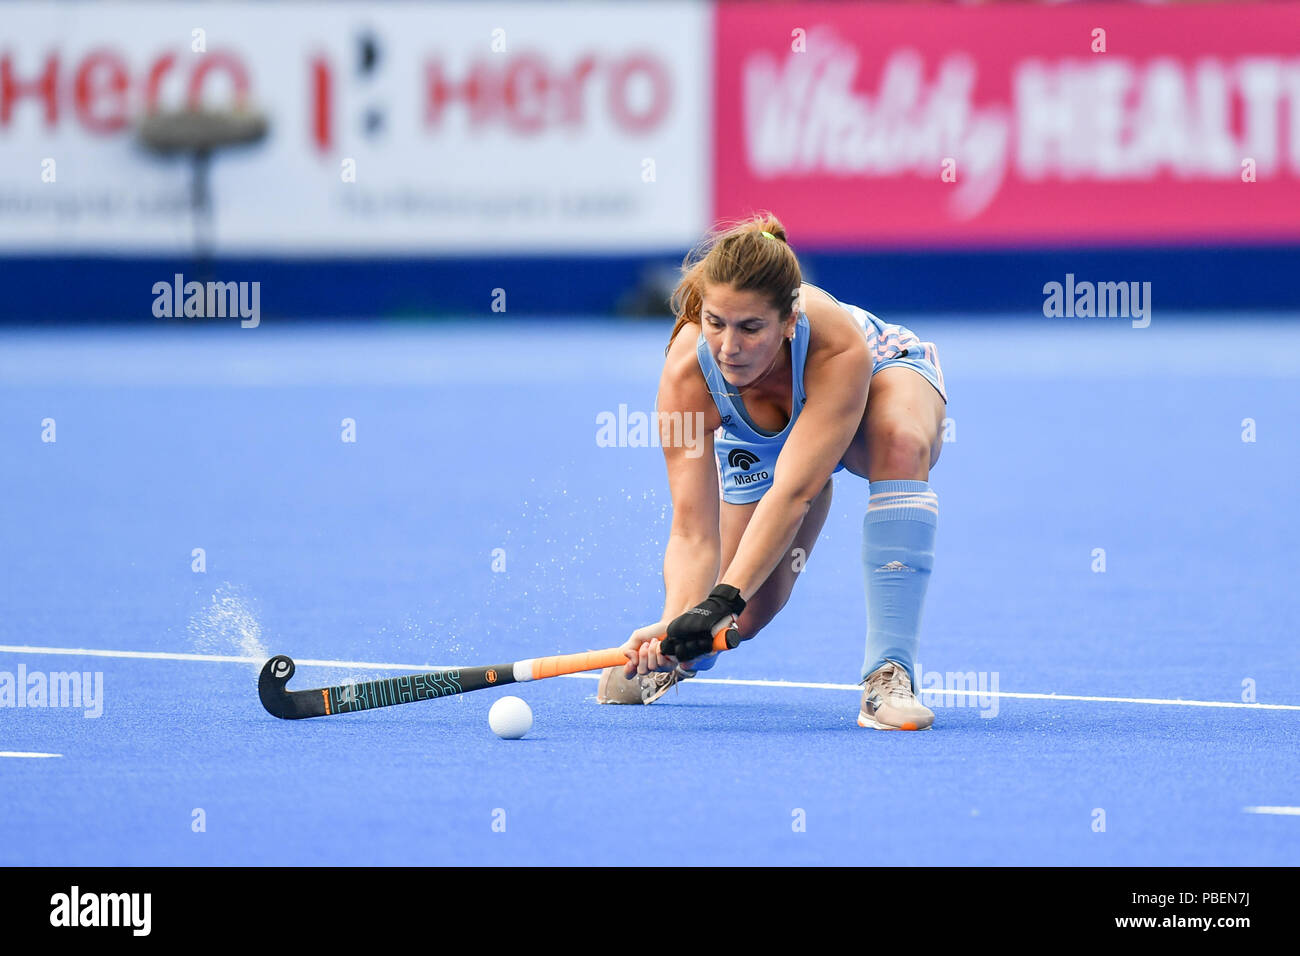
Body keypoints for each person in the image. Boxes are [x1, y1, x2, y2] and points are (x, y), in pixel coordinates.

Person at [596, 213, 948, 730]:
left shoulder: (836, 345)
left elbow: (792, 493)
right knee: (748, 615)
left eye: (751, 328)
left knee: (899, 441)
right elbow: (693, 530)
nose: (729, 348)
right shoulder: (688, 377)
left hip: (873, 383)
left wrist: (717, 602)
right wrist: (680, 624)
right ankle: (688, 655)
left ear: (788, 322)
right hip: (773, 441)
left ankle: (888, 674)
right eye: (715, 323)